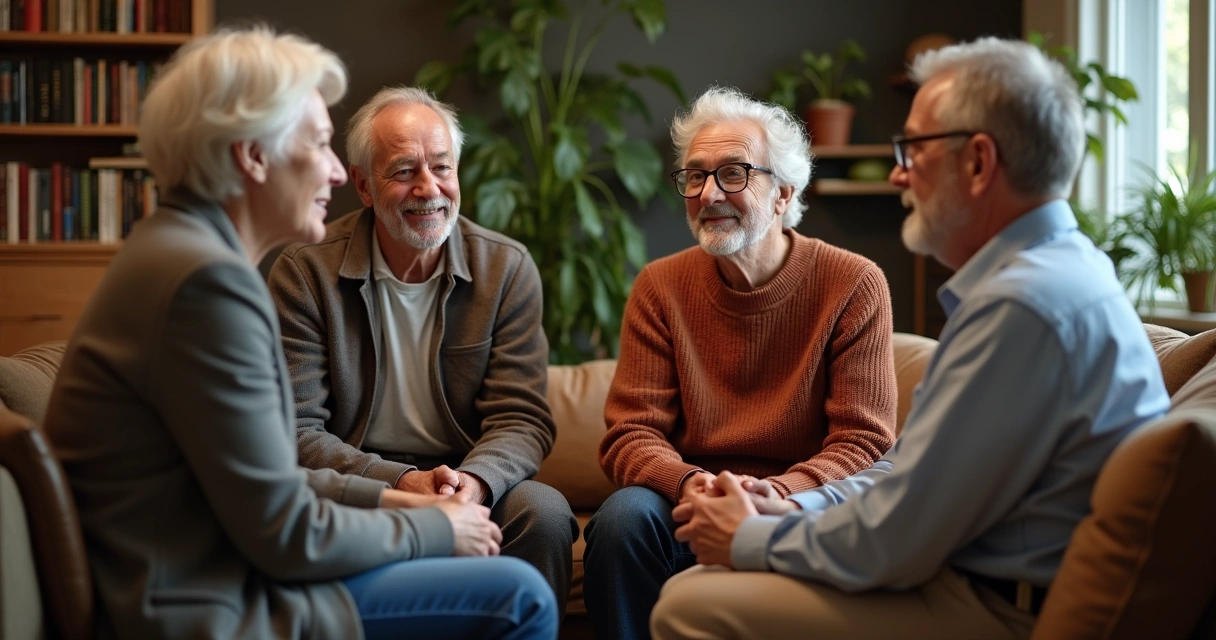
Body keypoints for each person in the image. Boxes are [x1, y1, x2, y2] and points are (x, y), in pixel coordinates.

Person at [42, 27, 556, 640]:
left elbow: (266, 481)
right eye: (317, 143)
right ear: (253, 156)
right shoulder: (207, 285)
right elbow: (285, 528)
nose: (336, 172)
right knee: (521, 597)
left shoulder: (178, 253)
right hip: (200, 601)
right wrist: (437, 526)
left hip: (208, 570)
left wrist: (402, 502)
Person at [652, 38, 1171, 640]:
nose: (899, 171)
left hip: (999, 604)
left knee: (688, 604)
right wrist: (794, 507)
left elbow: (897, 537)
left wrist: (750, 537)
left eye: (915, 148)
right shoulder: (1056, 272)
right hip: (967, 571)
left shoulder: (1022, 305)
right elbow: (909, 471)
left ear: (978, 162)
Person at [582, 85, 898, 640]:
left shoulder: (854, 283)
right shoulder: (659, 286)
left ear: (783, 194)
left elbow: (863, 441)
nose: (708, 193)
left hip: (800, 506)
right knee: (622, 519)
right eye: (695, 176)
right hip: (688, 504)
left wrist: (778, 494)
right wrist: (692, 485)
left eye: (733, 173)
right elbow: (631, 434)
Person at [266, 85, 578, 611]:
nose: (429, 188)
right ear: (363, 186)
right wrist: (402, 482)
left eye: (442, 167)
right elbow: (296, 430)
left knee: (542, 513)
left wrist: (475, 483)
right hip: (357, 482)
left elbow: (521, 418)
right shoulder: (305, 272)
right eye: (404, 171)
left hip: (467, 474)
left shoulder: (506, 268)